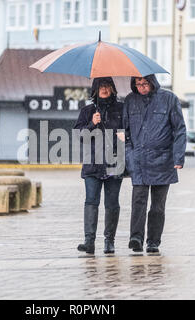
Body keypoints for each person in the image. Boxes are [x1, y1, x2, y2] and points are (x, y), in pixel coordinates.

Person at [122, 74, 186, 254]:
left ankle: (153, 241)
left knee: (158, 205)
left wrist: (178, 157)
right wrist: (129, 154)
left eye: (144, 83)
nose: (141, 87)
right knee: (138, 200)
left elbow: (179, 129)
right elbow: (125, 131)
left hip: (163, 160)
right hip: (139, 159)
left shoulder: (169, 99)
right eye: (138, 84)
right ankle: (136, 238)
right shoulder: (130, 100)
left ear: (152, 83)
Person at [73, 77, 124, 254]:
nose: (104, 89)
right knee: (91, 201)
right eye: (101, 86)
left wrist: (124, 137)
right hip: (92, 165)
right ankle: (89, 242)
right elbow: (80, 136)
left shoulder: (121, 109)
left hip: (114, 163)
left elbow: (129, 132)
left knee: (112, 203)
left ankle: (109, 241)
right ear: (95, 90)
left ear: (112, 88)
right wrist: (91, 124)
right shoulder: (87, 111)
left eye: (107, 86)